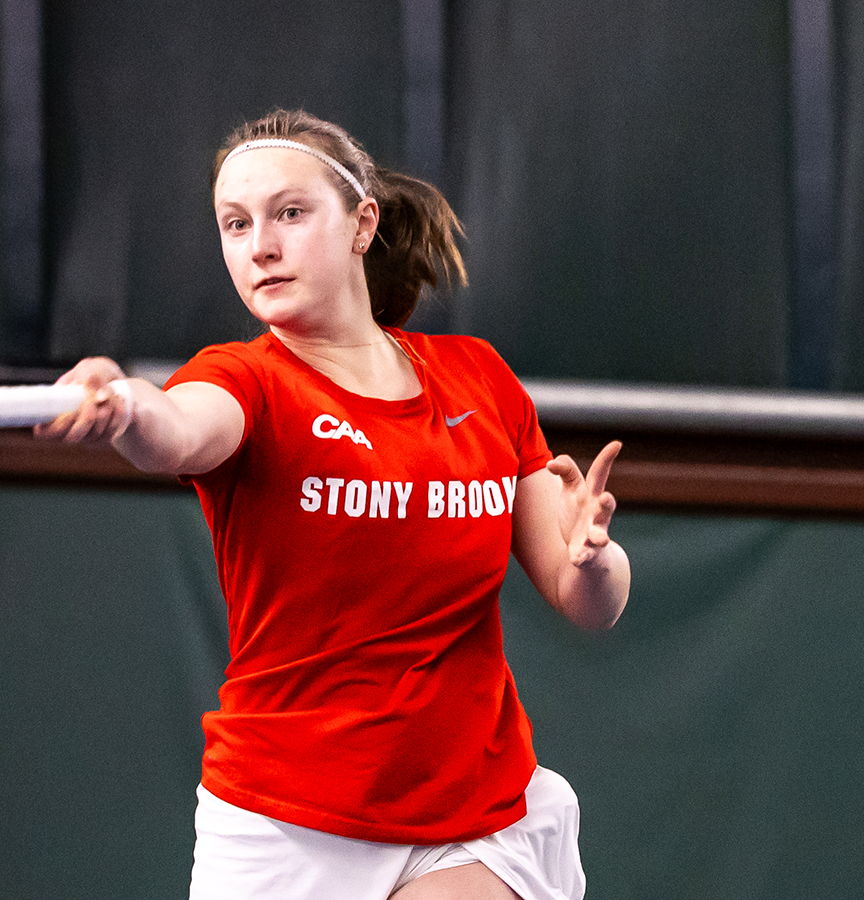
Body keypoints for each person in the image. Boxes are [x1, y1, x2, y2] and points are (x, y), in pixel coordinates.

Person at [35, 109, 630, 900]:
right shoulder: (247, 379)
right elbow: (177, 430)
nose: (260, 246)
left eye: (289, 213)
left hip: (470, 813)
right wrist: (126, 406)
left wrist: (594, 556)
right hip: (283, 820)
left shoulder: (478, 379)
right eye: (234, 224)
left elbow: (586, 602)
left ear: (361, 223)